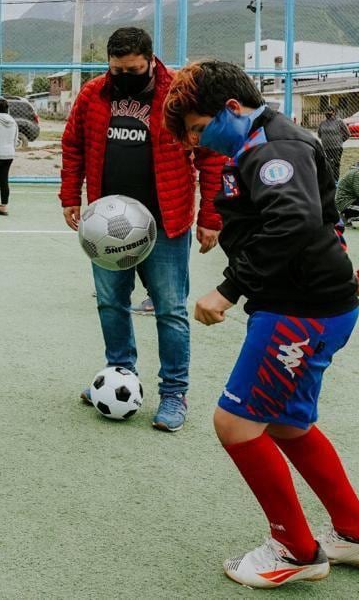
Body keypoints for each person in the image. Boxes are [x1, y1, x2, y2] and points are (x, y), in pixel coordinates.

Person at [164, 59, 359, 589]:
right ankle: (358, 535)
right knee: (288, 423)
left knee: (235, 423)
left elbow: (290, 221)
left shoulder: (273, 148)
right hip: (313, 300)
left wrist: (226, 290)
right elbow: (320, 218)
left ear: (232, 109)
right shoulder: (263, 141)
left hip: (296, 311)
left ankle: (296, 549)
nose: (197, 142)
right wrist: (339, 271)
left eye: (200, 129)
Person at [60, 27, 226, 432]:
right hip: (107, 225)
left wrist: (210, 217)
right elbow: (73, 145)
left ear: (151, 60)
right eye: (116, 69)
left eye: (132, 69)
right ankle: (120, 376)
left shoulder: (180, 95)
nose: (124, 76)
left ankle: (174, 392)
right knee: (110, 303)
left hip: (167, 222)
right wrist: (70, 197)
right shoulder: (94, 94)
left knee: (170, 309)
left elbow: (210, 155)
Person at [315, 109, 349, 180]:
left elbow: (348, 134)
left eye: (330, 111)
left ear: (334, 112)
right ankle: (329, 180)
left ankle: (336, 180)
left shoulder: (339, 121)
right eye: (326, 111)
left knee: (335, 164)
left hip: (337, 147)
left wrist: (340, 141)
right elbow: (319, 134)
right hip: (326, 147)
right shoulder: (323, 123)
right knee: (328, 164)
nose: (327, 113)